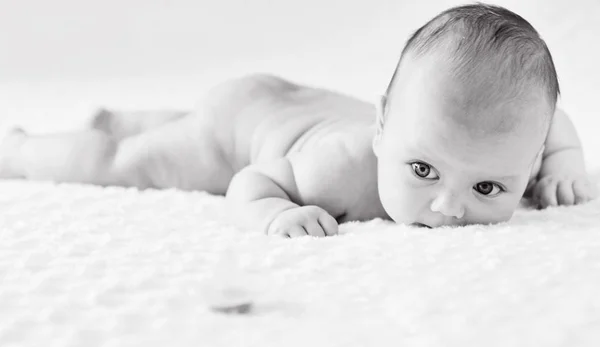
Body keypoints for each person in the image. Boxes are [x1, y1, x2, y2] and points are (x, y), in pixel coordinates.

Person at [0, 3, 595, 237]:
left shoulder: (502, 138)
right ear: (384, 129)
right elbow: (249, 182)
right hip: (237, 129)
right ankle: (22, 150)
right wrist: (277, 212)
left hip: (283, 97)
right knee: (127, 164)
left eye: (489, 187)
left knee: (168, 128)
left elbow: (556, 123)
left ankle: (126, 116)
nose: (447, 207)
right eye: (421, 168)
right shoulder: (336, 170)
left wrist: (565, 162)